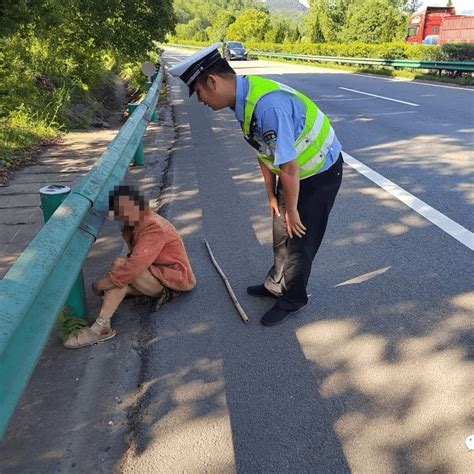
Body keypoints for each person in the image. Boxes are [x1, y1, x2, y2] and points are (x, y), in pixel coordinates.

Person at [169, 44, 343, 326]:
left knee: (299, 241)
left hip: (318, 173)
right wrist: (272, 197)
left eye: (198, 92)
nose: (199, 100)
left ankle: (293, 299)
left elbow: (288, 165)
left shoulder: (268, 107)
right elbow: (263, 150)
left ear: (213, 82)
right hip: (293, 173)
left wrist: (294, 209)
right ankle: (275, 283)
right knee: (279, 231)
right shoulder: (243, 99)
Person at [64, 185, 196, 348]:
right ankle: (102, 324)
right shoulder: (136, 222)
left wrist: (100, 285)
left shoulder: (153, 227)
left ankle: (100, 328)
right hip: (156, 271)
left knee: (122, 270)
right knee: (120, 275)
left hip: (173, 281)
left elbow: (134, 267)